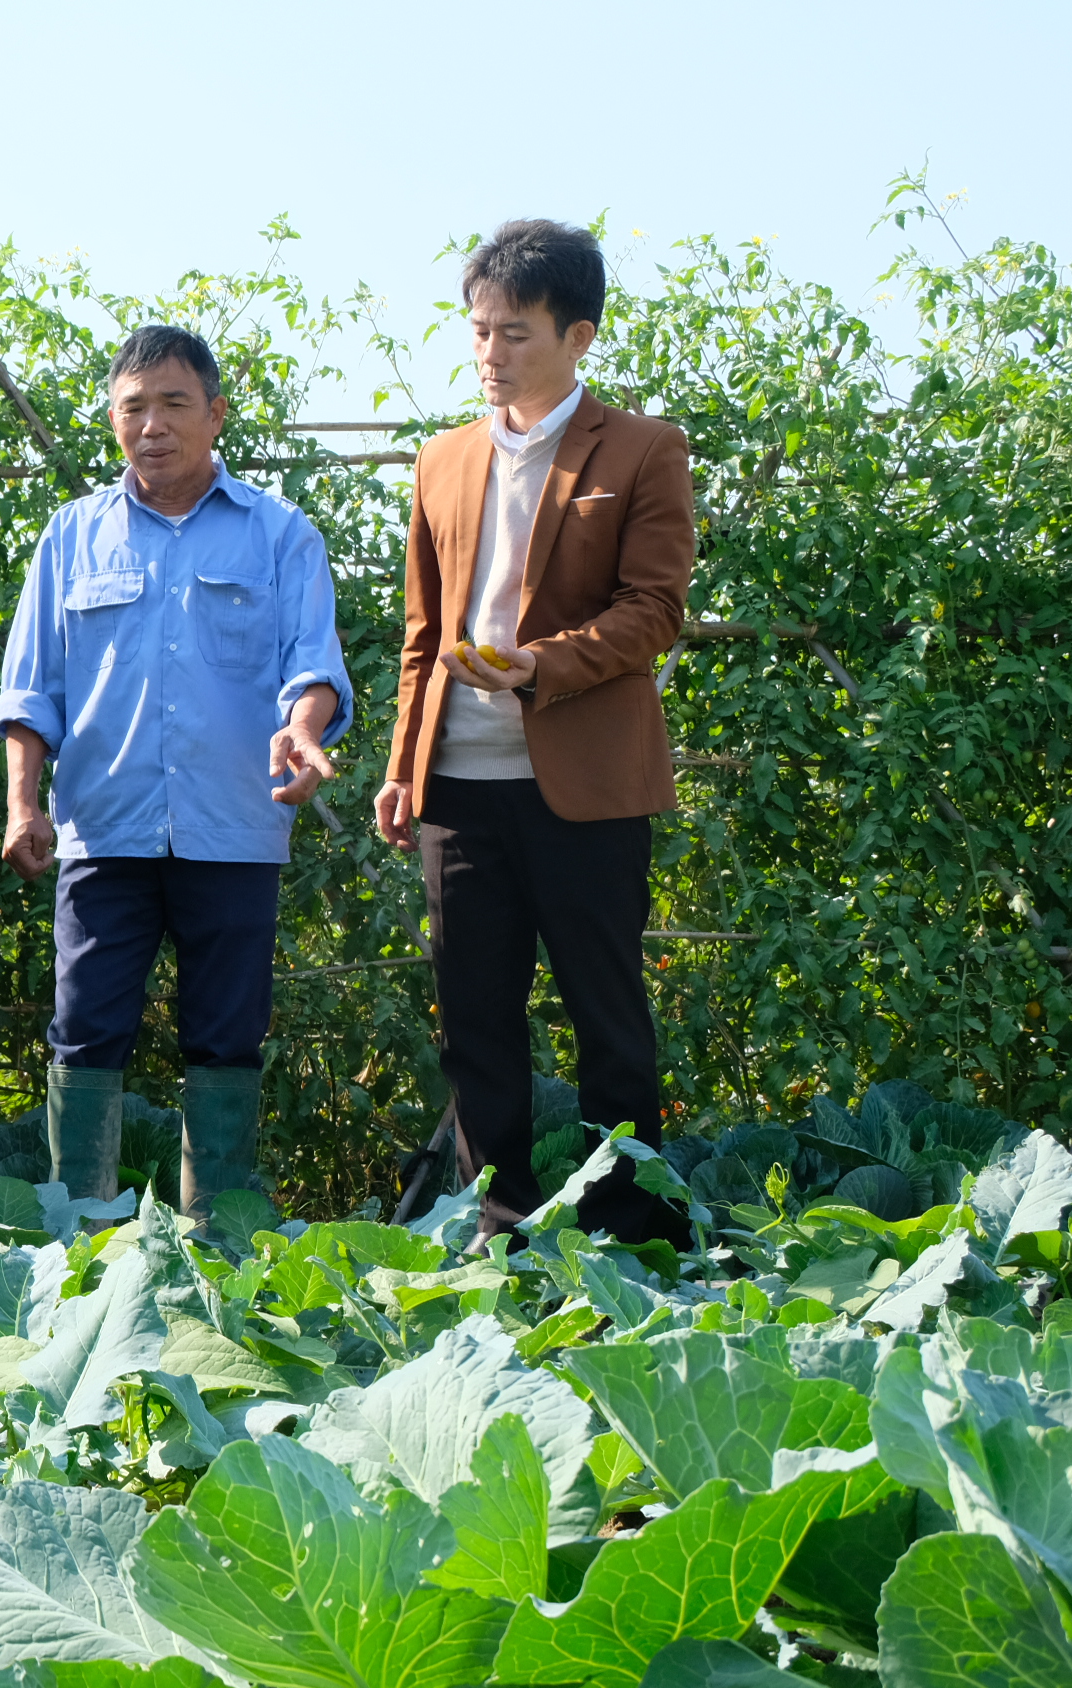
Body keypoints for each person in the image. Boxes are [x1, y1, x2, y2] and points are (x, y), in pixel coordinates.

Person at [374, 219, 695, 1246]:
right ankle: (497, 1226)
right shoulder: (439, 460)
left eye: (512, 332)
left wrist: (542, 666)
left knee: (606, 1017)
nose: (488, 352)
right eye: (476, 331)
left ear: (579, 334)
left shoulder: (642, 448)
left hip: (586, 784)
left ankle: (625, 1226)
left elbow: (654, 607)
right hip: (458, 782)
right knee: (474, 1016)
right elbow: (423, 631)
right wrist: (399, 767)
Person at [0, 327, 351, 1220]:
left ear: (216, 413)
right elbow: (30, 691)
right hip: (105, 828)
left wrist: (302, 732)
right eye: (132, 407)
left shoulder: (280, 536)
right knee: (85, 1033)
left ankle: (219, 1248)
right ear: (113, 421)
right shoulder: (71, 536)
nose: (152, 425)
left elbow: (313, 666)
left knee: (227, 1039)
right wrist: (22, 805)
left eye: (174, 403)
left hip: (234, 825)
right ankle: (76, 1247)